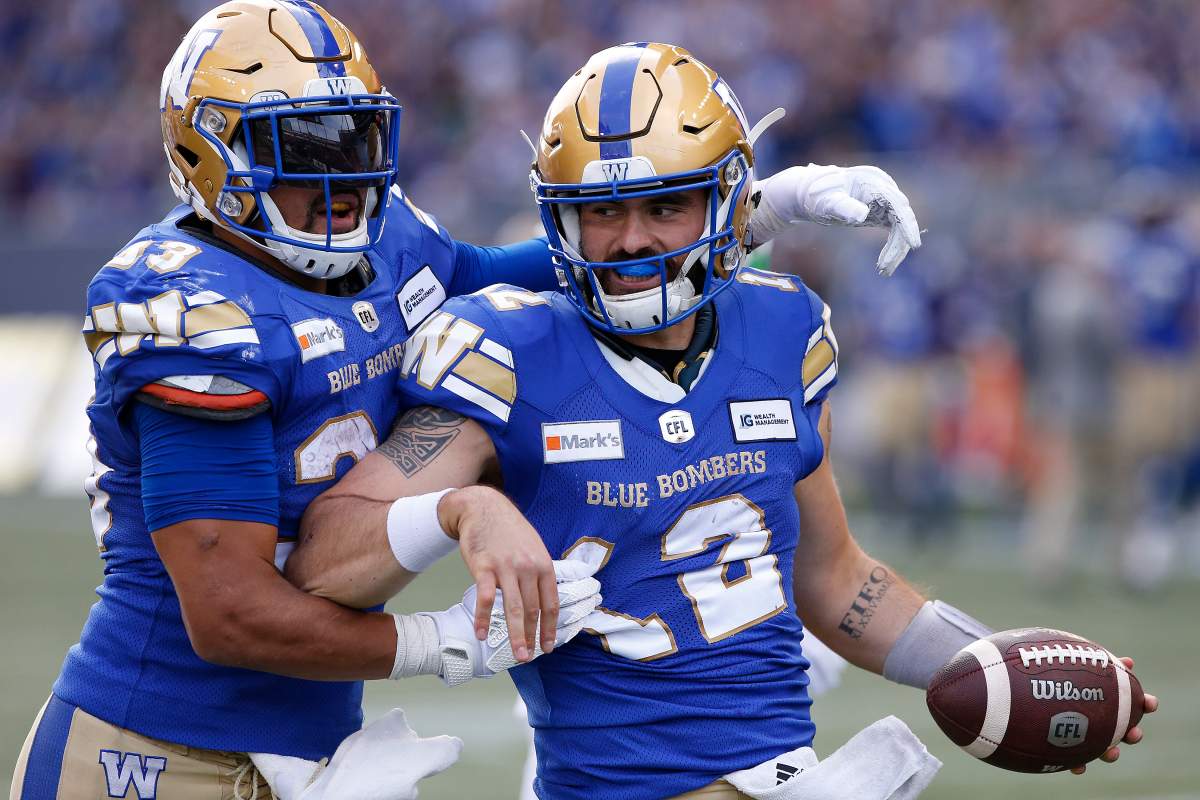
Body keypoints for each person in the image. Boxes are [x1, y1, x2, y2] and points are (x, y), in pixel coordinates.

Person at [10, 3, 926, 797]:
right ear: (201, 154)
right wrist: (439, 640)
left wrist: (756, 211)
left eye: (348, 138)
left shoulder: (392, 244)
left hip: (315, 737)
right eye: (293, 150)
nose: (333, 178)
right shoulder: (189, 309)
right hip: (151, 746)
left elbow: (563, 267)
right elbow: (229, 614)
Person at [287, 43, 1156, 800]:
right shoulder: (508, 354)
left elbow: (836, 578)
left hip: (790, 772)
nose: (631, 241)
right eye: (602, 212)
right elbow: (326, 561)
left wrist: (994, 669)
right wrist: (460, 511)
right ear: (561, 219)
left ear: (729, 204)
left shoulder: (782, 330)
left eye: (664, 206)